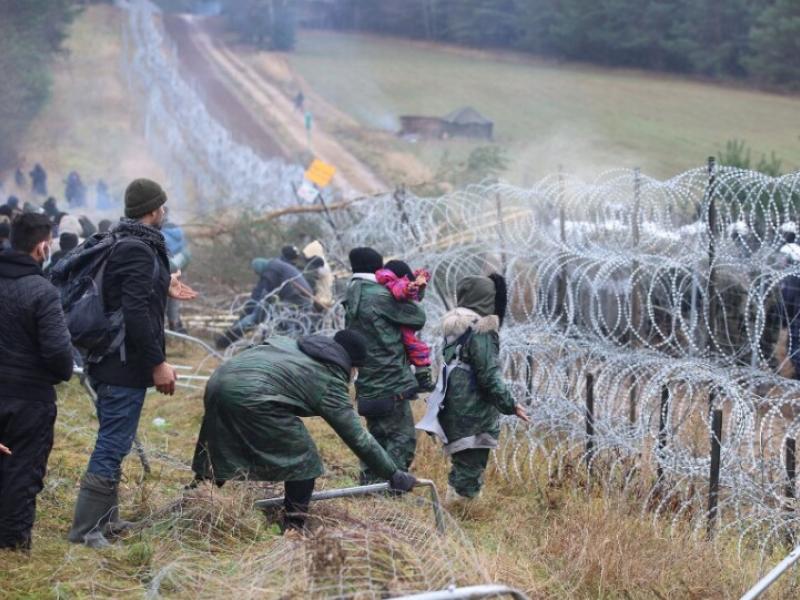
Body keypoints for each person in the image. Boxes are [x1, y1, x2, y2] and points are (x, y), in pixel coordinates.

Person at [68, 178, 197, 548]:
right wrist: (159, 363)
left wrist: (164, 284)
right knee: (111, 443)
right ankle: (85, 530)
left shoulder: (125, 241)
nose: (165, 212)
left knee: (117, 441)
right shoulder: (139, 250)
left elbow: (130, 295)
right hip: (121, 365)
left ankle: (106, 521)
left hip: (114, 361)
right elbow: (136, 314)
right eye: (163, 207)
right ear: (154, 210)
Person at [191, 330, 417, 532]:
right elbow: (357, 437)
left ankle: (194, 501)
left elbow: (256, 349)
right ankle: (294, 527)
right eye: (356, 370)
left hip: (218, 381)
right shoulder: (328, 378)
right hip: (255, 396)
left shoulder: (290, 343)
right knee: (304, 460)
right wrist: (393, 473)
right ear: (351, 365)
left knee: (219, 443)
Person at [0, 213, 73, 551]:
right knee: (21, 470)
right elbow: (59, 353)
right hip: (28, 399)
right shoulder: (43, 292)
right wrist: (61, 373)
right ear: (43, 246)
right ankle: (13, 546)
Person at [426, 274, 529, 506]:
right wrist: (510, 404)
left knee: (463, 461)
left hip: (452, 401)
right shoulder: (481, 329)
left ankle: (454, 505)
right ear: (486, 299)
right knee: (471, 465)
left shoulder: (454, 328)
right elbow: (488, 375)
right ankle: (462, 513)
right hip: (473, 408)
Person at [344, 247, 426, 483]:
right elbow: (417, 317)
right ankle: (391, 490)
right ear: (378, 268)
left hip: (367, 381)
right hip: (391, 382)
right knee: (402, 439)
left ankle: (369, 486)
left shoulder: (351, 292)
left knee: (376, 437)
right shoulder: (379, 295)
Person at [216, 246, 313, 349]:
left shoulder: (271, 270)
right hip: (302, 298)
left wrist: (254, 312)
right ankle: (273, 345)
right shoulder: (277, 265)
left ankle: (227, 340)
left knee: (257, 317)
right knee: (274, 317)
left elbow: (266, 293)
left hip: (296, 298)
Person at [375, 260, 435, 392]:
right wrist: (410, 288)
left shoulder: (388, 282)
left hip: (400, 324)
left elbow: (414, 295)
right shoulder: (398, 283)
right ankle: (423, 379)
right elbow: (401, 291)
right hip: (403, 327)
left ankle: (420, 378)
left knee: (413, 350)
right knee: (417, 348)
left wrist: (419, 283)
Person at [162, 213, 190, 332]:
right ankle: (175, 325)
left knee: (163, 300)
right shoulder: (179, 232)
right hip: (177, 268)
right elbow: (186, 253)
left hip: (164, 268)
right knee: (174, 298)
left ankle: (163, 329)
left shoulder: (160, 233)